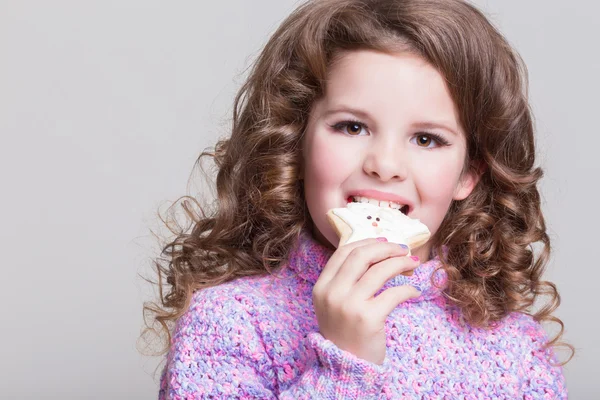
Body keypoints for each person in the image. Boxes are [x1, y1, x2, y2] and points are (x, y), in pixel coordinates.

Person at [142, 0, 574, 397]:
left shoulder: (517, 353)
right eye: (352, 127)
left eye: (426, 139)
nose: (385, 165)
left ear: (469, 174)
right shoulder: (228, 323)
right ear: (297, 141)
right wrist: (345, 367)